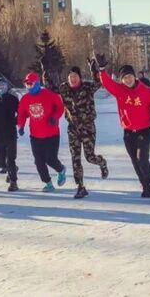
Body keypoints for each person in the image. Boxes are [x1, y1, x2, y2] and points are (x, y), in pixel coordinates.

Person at [96, 54, 150, 198]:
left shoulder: (145, 91)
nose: (128, 80)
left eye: (129, 76)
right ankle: (143, 184)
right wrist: (102, 69)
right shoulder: (119, 90)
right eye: (124, 78)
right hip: (128, 132)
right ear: (122, 80)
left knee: (142, 158)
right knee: (134, 160)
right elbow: (107, 83)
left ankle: (149, 184)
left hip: (144, 131)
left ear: (134, 76)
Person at [44, 61, 109, 199]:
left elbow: (99, 82)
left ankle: (102, 163)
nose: (72, 79)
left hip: (87, 127)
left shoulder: (87, 87)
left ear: (79, 77)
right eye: (70, 76)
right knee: (75, 158)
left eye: (75, 76)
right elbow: (50, 87)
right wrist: (45, 72)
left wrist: (94, 70)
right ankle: (80, 186)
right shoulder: (63, 88)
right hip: (73, 128)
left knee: (90, 157)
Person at [17, 72, 67, 192]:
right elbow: (21, 114)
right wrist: (21, 126)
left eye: (31, 84)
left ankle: (61, 170)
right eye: (27, 85)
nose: (29, 87)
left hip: (52, 134)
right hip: (35, 135)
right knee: (38, 161)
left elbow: (60, 106)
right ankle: (48, 183)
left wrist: (55, 117)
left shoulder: (48, 95)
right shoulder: (25, 99)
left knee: (50, 159)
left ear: (37, 84)